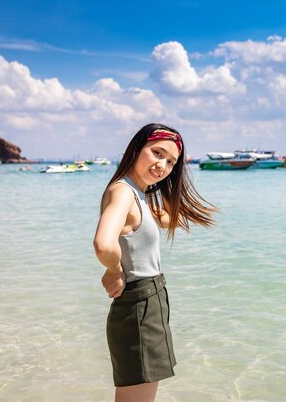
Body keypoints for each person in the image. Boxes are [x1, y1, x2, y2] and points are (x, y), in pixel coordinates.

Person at [93, 123, 216, 402]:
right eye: (157, 153)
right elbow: (103, 243)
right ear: (136, 149)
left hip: (149, 303)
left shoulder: (138, 194)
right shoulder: (123, 192)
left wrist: (163, 186)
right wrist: (114, 270)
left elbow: (176, 220)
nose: (163, 165)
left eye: (171, 162)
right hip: (139, 305)